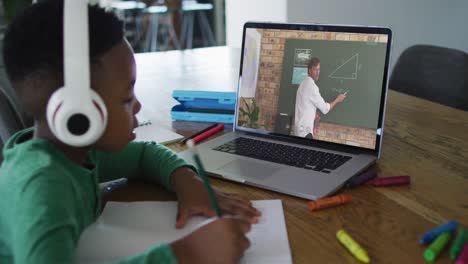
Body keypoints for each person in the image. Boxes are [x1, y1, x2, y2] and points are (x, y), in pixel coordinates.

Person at [0, 1, 260, 264]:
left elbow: (144, 155)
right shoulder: (42, 189)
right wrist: (187, 255)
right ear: (78, 114)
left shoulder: (75, 153)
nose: (137, 105)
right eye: (126, 98)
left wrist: (187, 182)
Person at [294, 57, 347, 138]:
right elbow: (325, 109)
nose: (317, 72)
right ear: (309, 70)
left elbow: (306, 105)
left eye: (319, 69)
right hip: (305, 132)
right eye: (315, 69)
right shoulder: (312, 87)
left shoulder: (302, 84)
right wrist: (337, 100)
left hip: (298, 130)